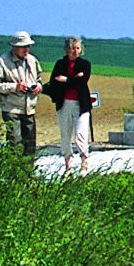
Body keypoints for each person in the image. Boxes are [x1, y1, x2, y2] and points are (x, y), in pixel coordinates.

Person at [44, 36, 95, 173]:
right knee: (65, 134)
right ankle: (68, 163)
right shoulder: (60, 64)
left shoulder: (85, 64)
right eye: (73, 48)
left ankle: (84, 161)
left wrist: (66, 79)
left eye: (78, 48)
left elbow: (82, 81)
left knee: (81, 134)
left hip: (81, 104)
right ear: (67, 49)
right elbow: (54, 81)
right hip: (64, 103)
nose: (75, 51)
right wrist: (73, 79)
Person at [0, 32, 42, 154]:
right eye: (23, 46)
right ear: (14, 47)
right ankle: (13, 169)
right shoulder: (2, 61)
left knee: (30, 145)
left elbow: (39, 79)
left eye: (28, 46)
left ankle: (28, 171)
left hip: (29, 108)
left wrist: (38, 87)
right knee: (15, 142)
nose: (27, 49)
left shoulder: (33, 60)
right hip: (11, 108)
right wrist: (15, 87)